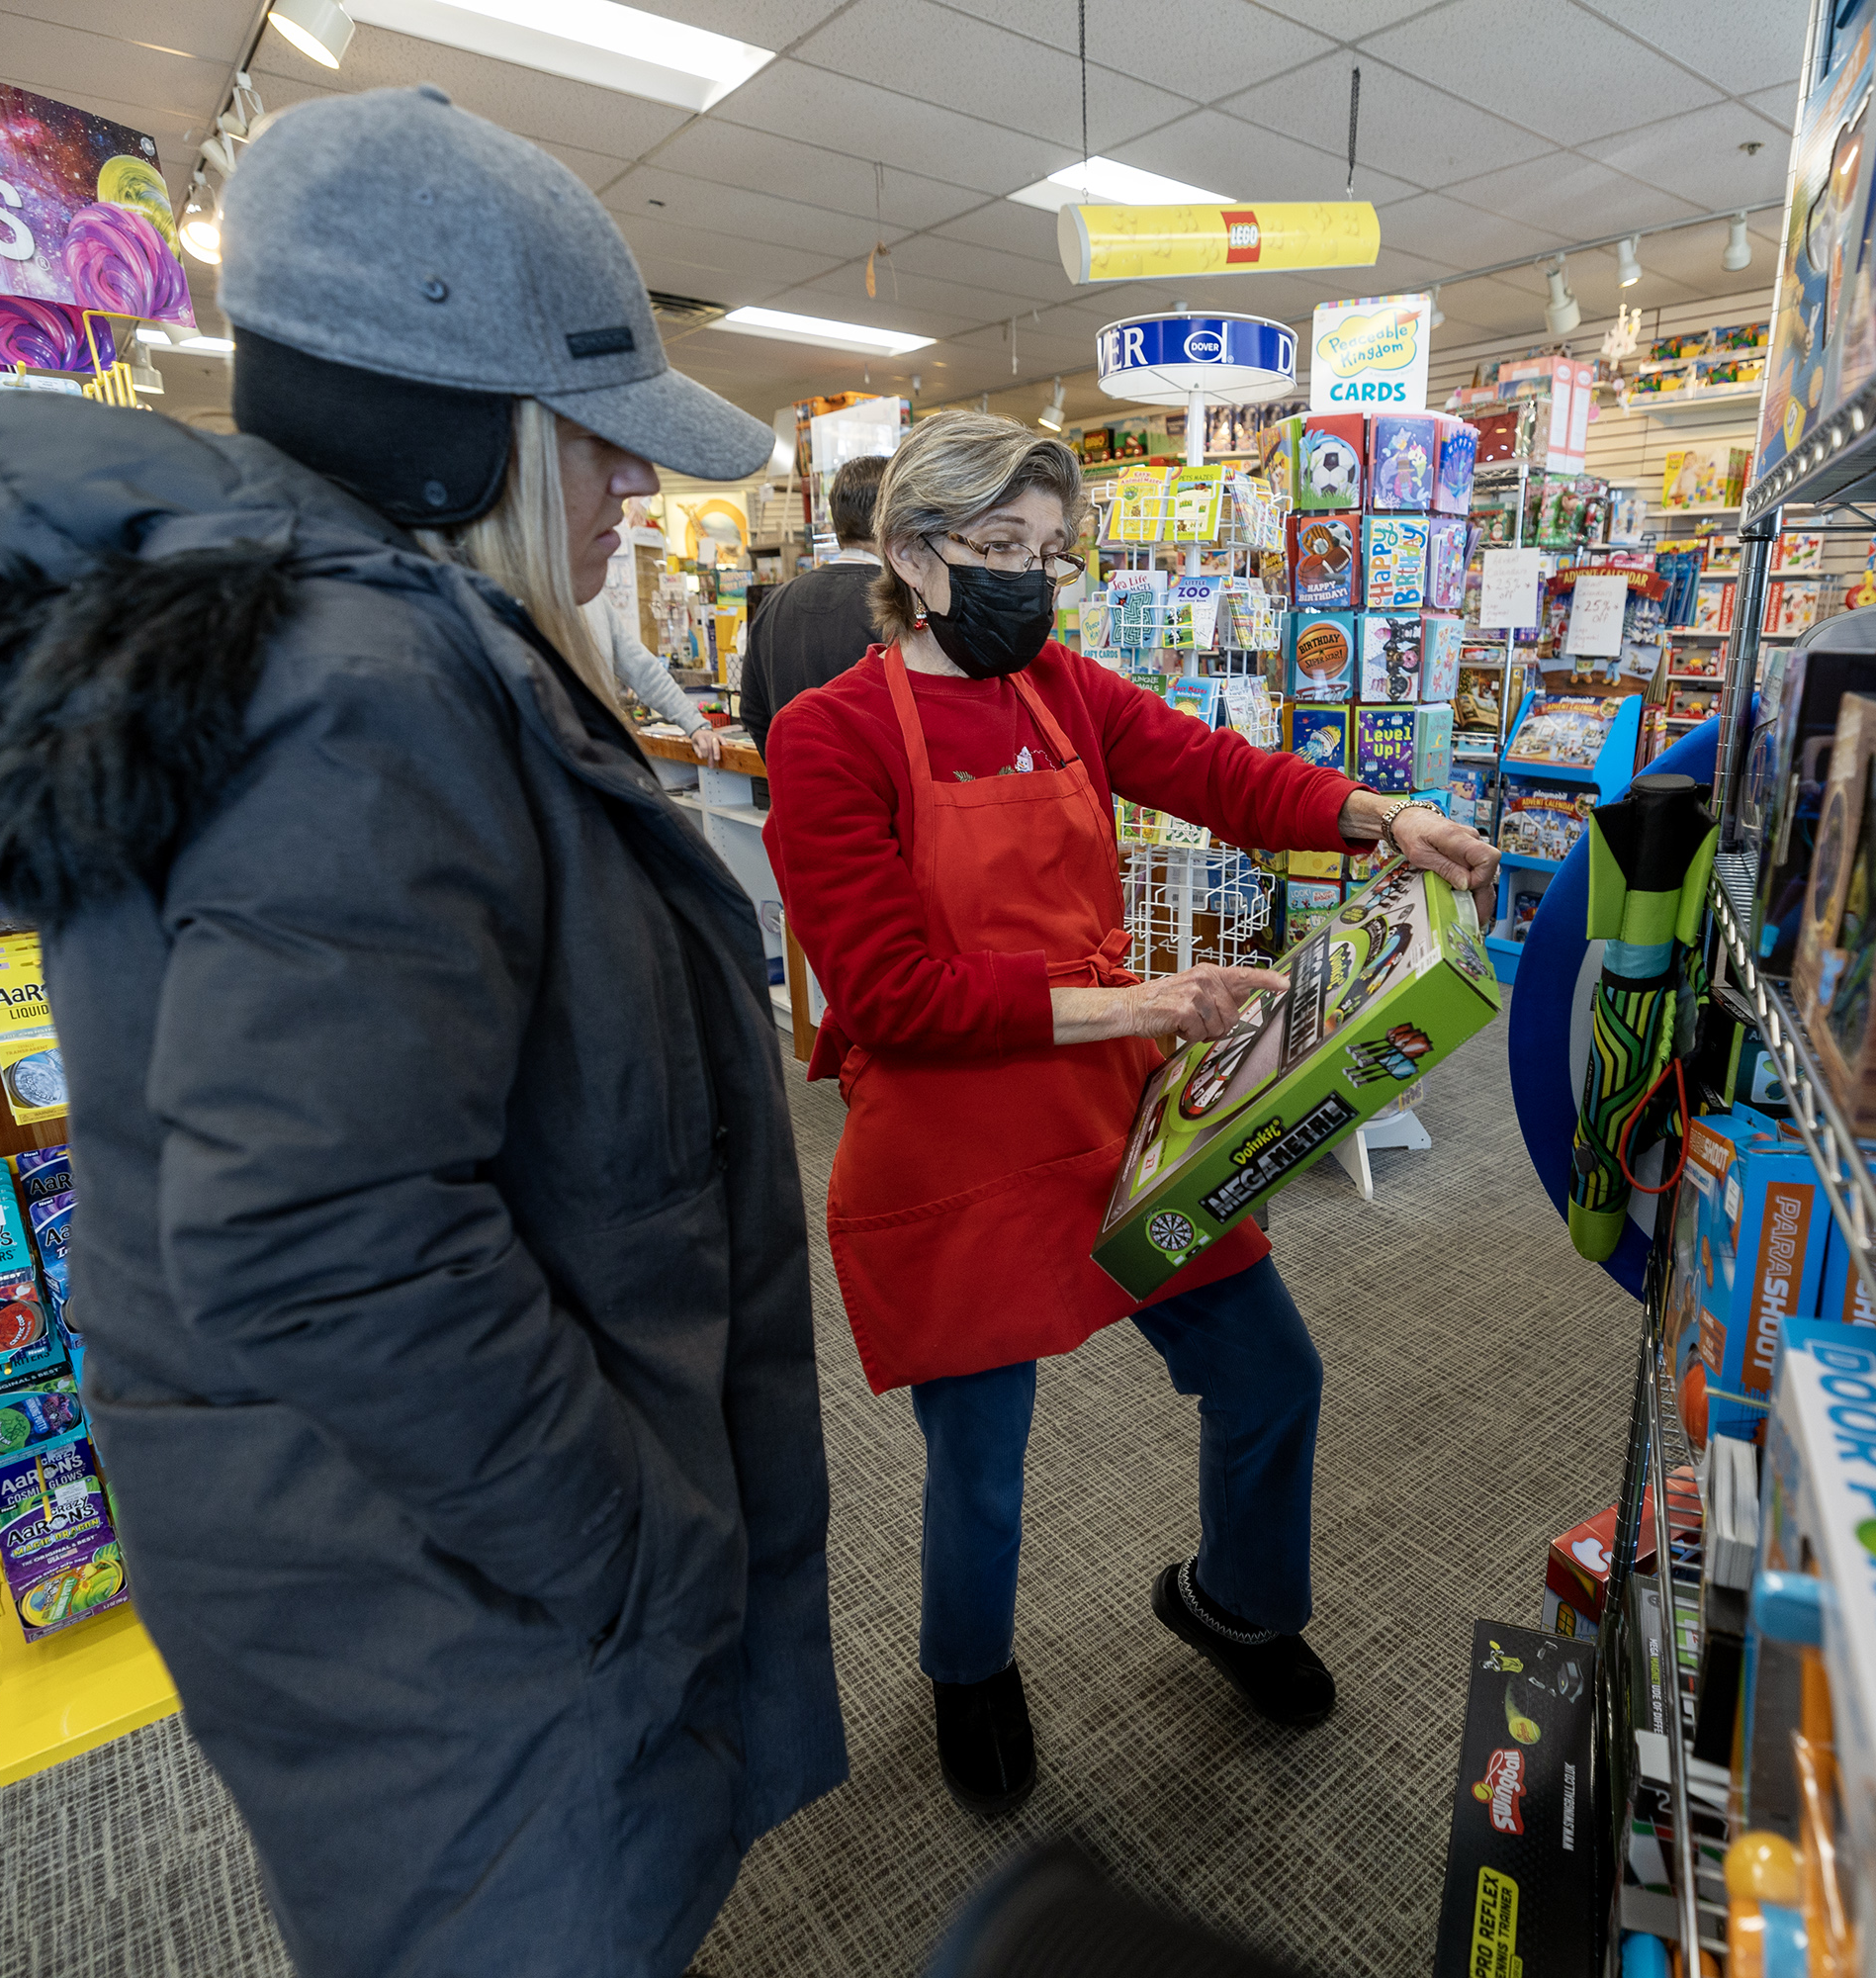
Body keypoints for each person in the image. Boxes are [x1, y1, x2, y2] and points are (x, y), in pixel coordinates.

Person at [0, 86, 844, 1977]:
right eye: (598, 445)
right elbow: (321, 1237)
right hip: (458, 1602)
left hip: (370, 1553)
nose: (637, 495)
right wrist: (632, 1550)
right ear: (465, 433)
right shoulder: (365, 686)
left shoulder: (309, 639)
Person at [764, 409, 1498, 1816]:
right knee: (980, 1456)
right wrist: (1141, 1004)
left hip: (1121, 1121)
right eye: (997, 550)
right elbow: (894, 994)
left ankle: (1233, 1602)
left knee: (1269, 1370)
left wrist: (1380, 817)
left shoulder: (1062, 690)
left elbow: (1222, 775)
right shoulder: (829, 735)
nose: (1028, 581)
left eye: (1050, 553)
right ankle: (968, 1671)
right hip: (957, 1142)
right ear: (911, 556)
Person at [739, 451, 887, 750]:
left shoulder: (774, 602)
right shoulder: (896, 604)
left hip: (794, 786)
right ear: (892, 514)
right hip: (877, 793)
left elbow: (753, 712)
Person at [583, 576, 726, 762]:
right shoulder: (536, 602)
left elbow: (644, 670)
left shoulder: (594, 602)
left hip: (598, 749)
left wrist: (697, 725)